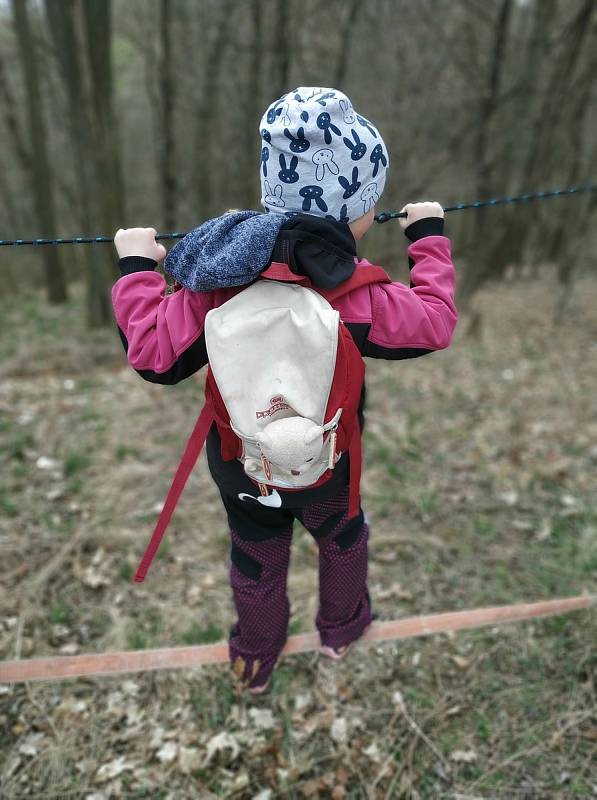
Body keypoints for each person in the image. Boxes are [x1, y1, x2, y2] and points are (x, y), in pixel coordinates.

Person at [111, 87, 457, 695]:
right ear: (355, 215)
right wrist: (426, 237)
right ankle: (343, 632)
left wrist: (138, 270)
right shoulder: (358, 294)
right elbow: (434, 321)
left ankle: (254, 658)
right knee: (344, 543)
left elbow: (152, 353)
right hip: (331, 469)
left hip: (246, 474)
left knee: (256, 565)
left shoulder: (216, 282)